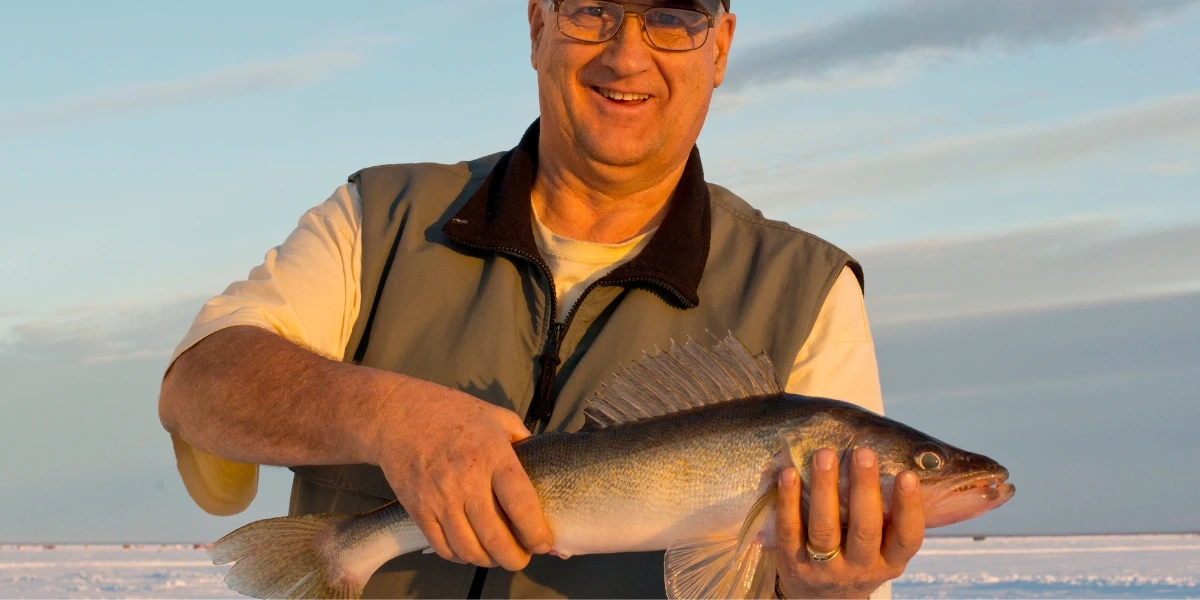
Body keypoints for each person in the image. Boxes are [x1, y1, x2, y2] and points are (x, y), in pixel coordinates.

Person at [157, 0, 925, 597]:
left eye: (672, 18)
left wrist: (832, 593)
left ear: (719, 47)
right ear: (537, 27)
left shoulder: (806, 288)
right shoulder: (380, 216)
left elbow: (828, 582)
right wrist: (390, 419)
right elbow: (200, 388)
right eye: (592, 10)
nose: (628, 53)